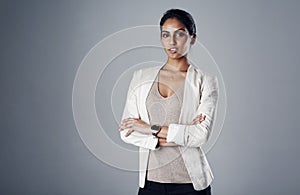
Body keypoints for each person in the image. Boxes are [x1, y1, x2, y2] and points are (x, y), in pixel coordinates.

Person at [119, 8, 219, 195]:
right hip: (150, 184)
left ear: (193, 38)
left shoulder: (205, 81)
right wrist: (181, 135)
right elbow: (127, 131)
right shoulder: (140, 77)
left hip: (190, 186)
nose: (172, 42)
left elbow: (199, 136)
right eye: (166, 35)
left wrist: (149, 128)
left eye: (180, 34)